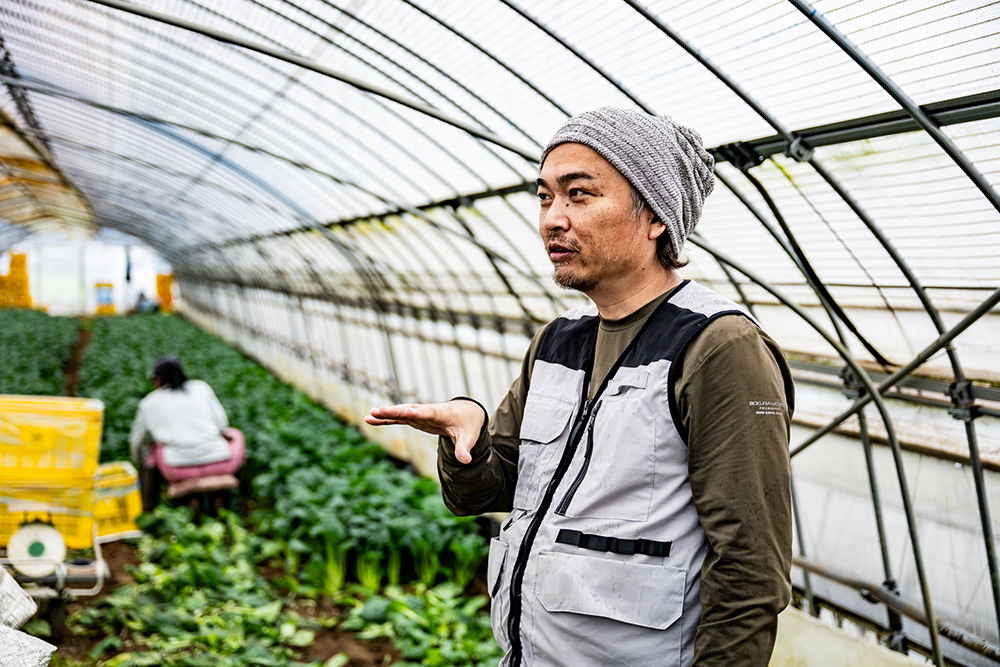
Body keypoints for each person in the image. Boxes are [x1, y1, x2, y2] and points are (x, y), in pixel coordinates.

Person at [366, 107, 793, 666]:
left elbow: (749, 569)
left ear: (655, 215)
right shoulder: (560, 339)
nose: (552, 219)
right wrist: (465, 441)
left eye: (579, 194)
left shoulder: (718, 346)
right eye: (544, 197)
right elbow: (488, 494)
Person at [130, 357, 244, 511]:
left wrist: (140, 465)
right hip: (221, 463)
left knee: (154, 450)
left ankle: (149, 505)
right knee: (236, 434)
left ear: (157, 380)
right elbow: (222, 424)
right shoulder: (201, 388)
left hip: (177, 469)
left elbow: (136, 442)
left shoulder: (149, 402)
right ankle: (240, 495)